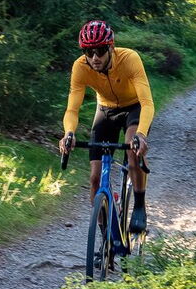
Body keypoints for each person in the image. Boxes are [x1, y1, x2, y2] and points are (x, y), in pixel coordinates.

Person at [58, 20, 154, 245]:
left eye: (100, 50)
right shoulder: (80, 67)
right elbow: (72, 108)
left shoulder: (129, 58)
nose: (94, 58)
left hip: (134, 108)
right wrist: (69, 133)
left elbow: (147, 103)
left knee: (132, 155)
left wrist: (141, 134)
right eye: (88, 52)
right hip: (106, 111)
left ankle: (139, 205)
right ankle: (105, 238)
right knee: (94, 178)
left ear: (111, 48)